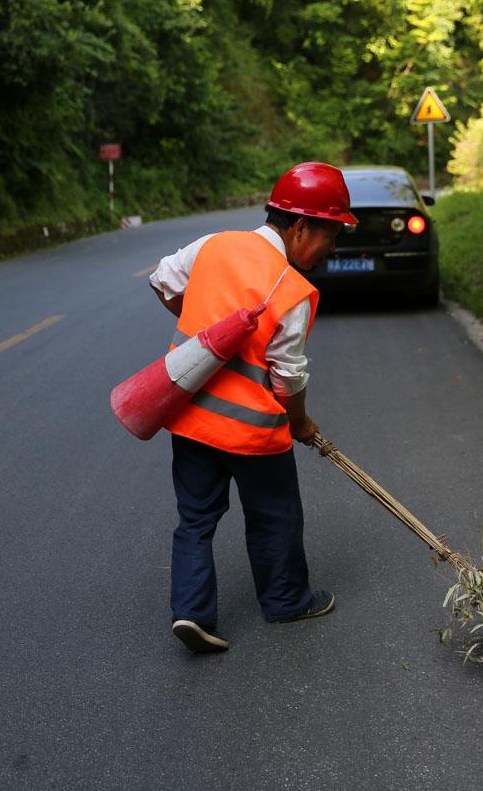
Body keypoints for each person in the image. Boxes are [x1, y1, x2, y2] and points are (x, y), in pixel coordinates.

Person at [147, 162, 358, 654]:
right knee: (275, 514)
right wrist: (301, 422)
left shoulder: (213, 245)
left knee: (195, 519)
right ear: (301, 226)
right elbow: (287, 377)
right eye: (331, 235)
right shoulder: (290, 287)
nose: (332, 250)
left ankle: (191, 613)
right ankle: (286, 602)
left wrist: (205, 337)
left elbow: (162, 280)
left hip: (191, 417)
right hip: (252, 433)